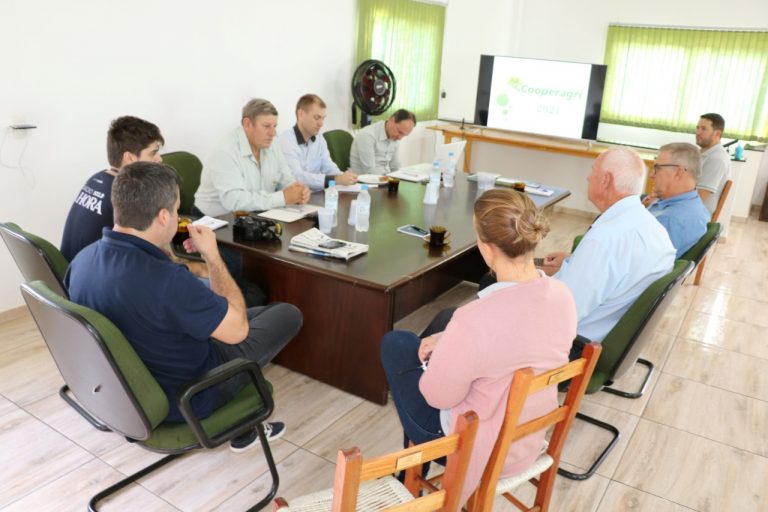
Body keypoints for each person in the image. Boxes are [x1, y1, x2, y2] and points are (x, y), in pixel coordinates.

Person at [65, 162, 303, 451]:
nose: (179, 217)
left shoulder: (82, 261)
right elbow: (238, 331)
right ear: (163, 216)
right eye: (177, 210)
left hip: (127, 390)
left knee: (263, 313)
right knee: (287, 313)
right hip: (192, 395)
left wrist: (166, 255)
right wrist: (212, 257)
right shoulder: (168, 281)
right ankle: (240, 419)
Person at [381, 188, 576, 507]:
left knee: (398, 344)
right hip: (526, 436)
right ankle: (410, 474)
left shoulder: (474, 318)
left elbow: (437, 397)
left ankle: (412, 473)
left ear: (485, 248)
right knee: (434, 336)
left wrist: (444, 352)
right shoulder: (562, 295)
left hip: (474, 445)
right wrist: (449, 339)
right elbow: (519, 340)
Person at [542, 148, 675, 356]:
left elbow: (561, 313)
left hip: (572, 347)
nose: (588, 177)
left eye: (592, 170)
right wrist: (574, 261)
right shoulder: (654, 229)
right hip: (607, 338)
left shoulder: (604, 239)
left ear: (605, 180)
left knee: (497, 292)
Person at [60, 116, 164, 262]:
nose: (159, 159)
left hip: (74, 269)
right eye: (153, 153)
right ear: (130, 158)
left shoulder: (96, 179)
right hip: (93, 272)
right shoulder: (127, 195)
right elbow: (148, 253)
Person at [194, 98, 310, 216]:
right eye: (266, 126)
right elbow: (235, 201)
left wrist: (298, 192)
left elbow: (285, 179)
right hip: (214, 220)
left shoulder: (271, 143)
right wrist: (283, 198)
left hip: (253, 215)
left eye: (274, 126)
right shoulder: (225, 151)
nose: (273, 133)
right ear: (247, 124)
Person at [279, 94, 357, 191]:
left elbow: (329, 167)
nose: (321, 124)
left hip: (317, 195)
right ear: (301, 114)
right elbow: (298, 177)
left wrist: (345, 177)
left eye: (323, 118)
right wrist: (335, 180)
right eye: (317, 118)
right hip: (295, 197)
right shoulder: (286, 140)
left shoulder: (320, 139)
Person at [647, 143, 710, 258]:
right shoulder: (695, 205)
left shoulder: (669, 221)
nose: (651, 175)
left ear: (679, 172)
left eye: (657, 168)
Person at [348, 109, 416, 175]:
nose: (400, 138)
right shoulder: (367, 135)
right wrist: (389, 179)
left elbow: (395, 166)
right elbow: (369, 171)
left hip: (384, 178)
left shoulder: (395, 137)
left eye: (404, 135)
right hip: (365, 180)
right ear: (391, 120)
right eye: (399, 132)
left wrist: (402, 177)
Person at [695, 113, 731, 214]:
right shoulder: (703, 153)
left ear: (717, 134)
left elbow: (699, 198)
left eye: (703, 129)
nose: (698, 132)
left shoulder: (717, 159)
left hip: (698, 213)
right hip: (690, 206)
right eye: (697, 128)